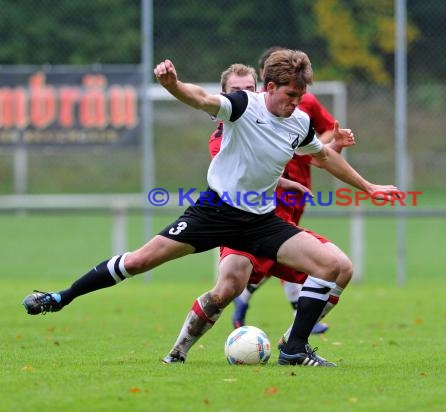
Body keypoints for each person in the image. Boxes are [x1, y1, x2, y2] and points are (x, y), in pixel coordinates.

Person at [22, 50, 398, 367]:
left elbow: (324, 158)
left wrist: (368, 186)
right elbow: (201, 99)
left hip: (261, 222)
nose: (296, 102)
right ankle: (60, 297)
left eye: (300, 95)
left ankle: (294, 349)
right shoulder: (241, 106)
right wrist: (172, 85)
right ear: (269, 87)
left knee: (333, 265)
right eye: (290, 94)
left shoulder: (298, 122)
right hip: (214, 213)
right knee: (138, 262)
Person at [160, 62, 355, 365]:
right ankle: (177, 352)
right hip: (242, 223)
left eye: (249, 89)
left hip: (280, 224)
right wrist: (287, 181)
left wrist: (335, 146)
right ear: (225, 95)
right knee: (227, 288)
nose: (245, 95)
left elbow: (320, 156)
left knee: (339, 268)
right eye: (237, 92)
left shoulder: (298, 114)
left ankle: (293, 344)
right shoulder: (228, 134)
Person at [219, 46, 342, 334]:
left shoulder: (304, 105)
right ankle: (282, 312)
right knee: (276, 254)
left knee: (288, 254)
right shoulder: (245, 115)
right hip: (266, 195)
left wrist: (309, 147)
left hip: (300, 189)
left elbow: (324, 137)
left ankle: (274, 309)